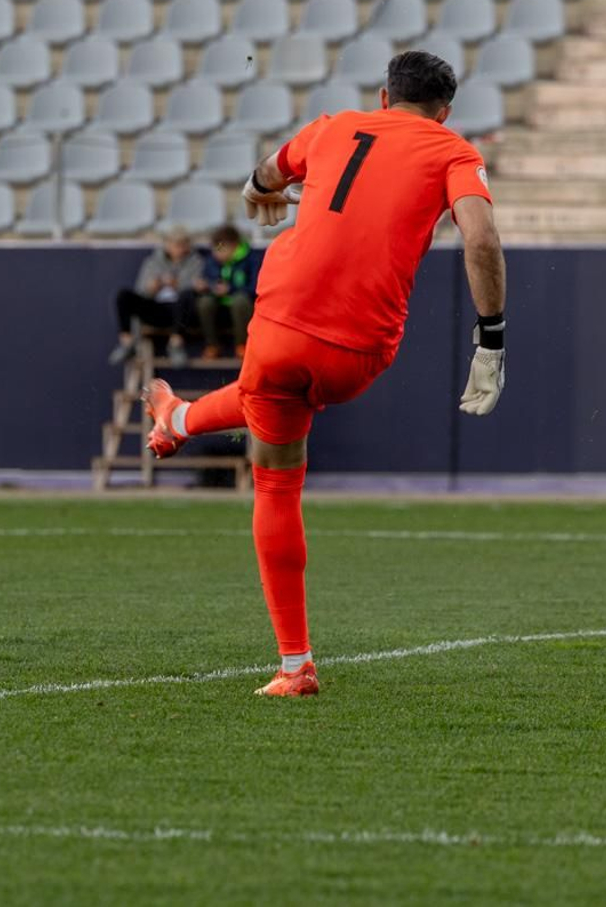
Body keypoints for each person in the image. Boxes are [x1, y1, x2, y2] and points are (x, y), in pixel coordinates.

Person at [145, 51, 507, 697]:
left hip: (284, 323)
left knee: (274, 469)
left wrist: (260, 195)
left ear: (382, 95)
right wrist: (492, 341)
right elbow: (479, 237)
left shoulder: (333, 125)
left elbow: (264, 172)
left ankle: (295, 666)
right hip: (362, 350)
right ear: (444, 111)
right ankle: (174, 420)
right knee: (275, 405)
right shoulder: (453, 150)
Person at [109, 226, 203, 366]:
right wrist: (154, 286)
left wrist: (176, 284)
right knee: (123, 296)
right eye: (176, 244)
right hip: (156, 308)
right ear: (167, 245)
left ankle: (176, 344)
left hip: (180, 312)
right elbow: (141, 290)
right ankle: (127, 343)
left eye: (183, 245)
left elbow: (196, 288)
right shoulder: (152, 262)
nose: (180, 249)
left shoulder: (196, 262)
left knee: (187, 295)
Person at [194, 224, 258, 359]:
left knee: (240, 301)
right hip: (218, 304)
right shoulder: (212, 260)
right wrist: (206, 286)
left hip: (242, 306)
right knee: (205, 302)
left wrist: (230, 289)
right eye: (216, 249)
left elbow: (255, 288)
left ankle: (242, 345)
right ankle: (212, 345)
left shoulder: (251, 259)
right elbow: (208, 278)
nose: (217, 253)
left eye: (221, 249)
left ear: (234, 245)